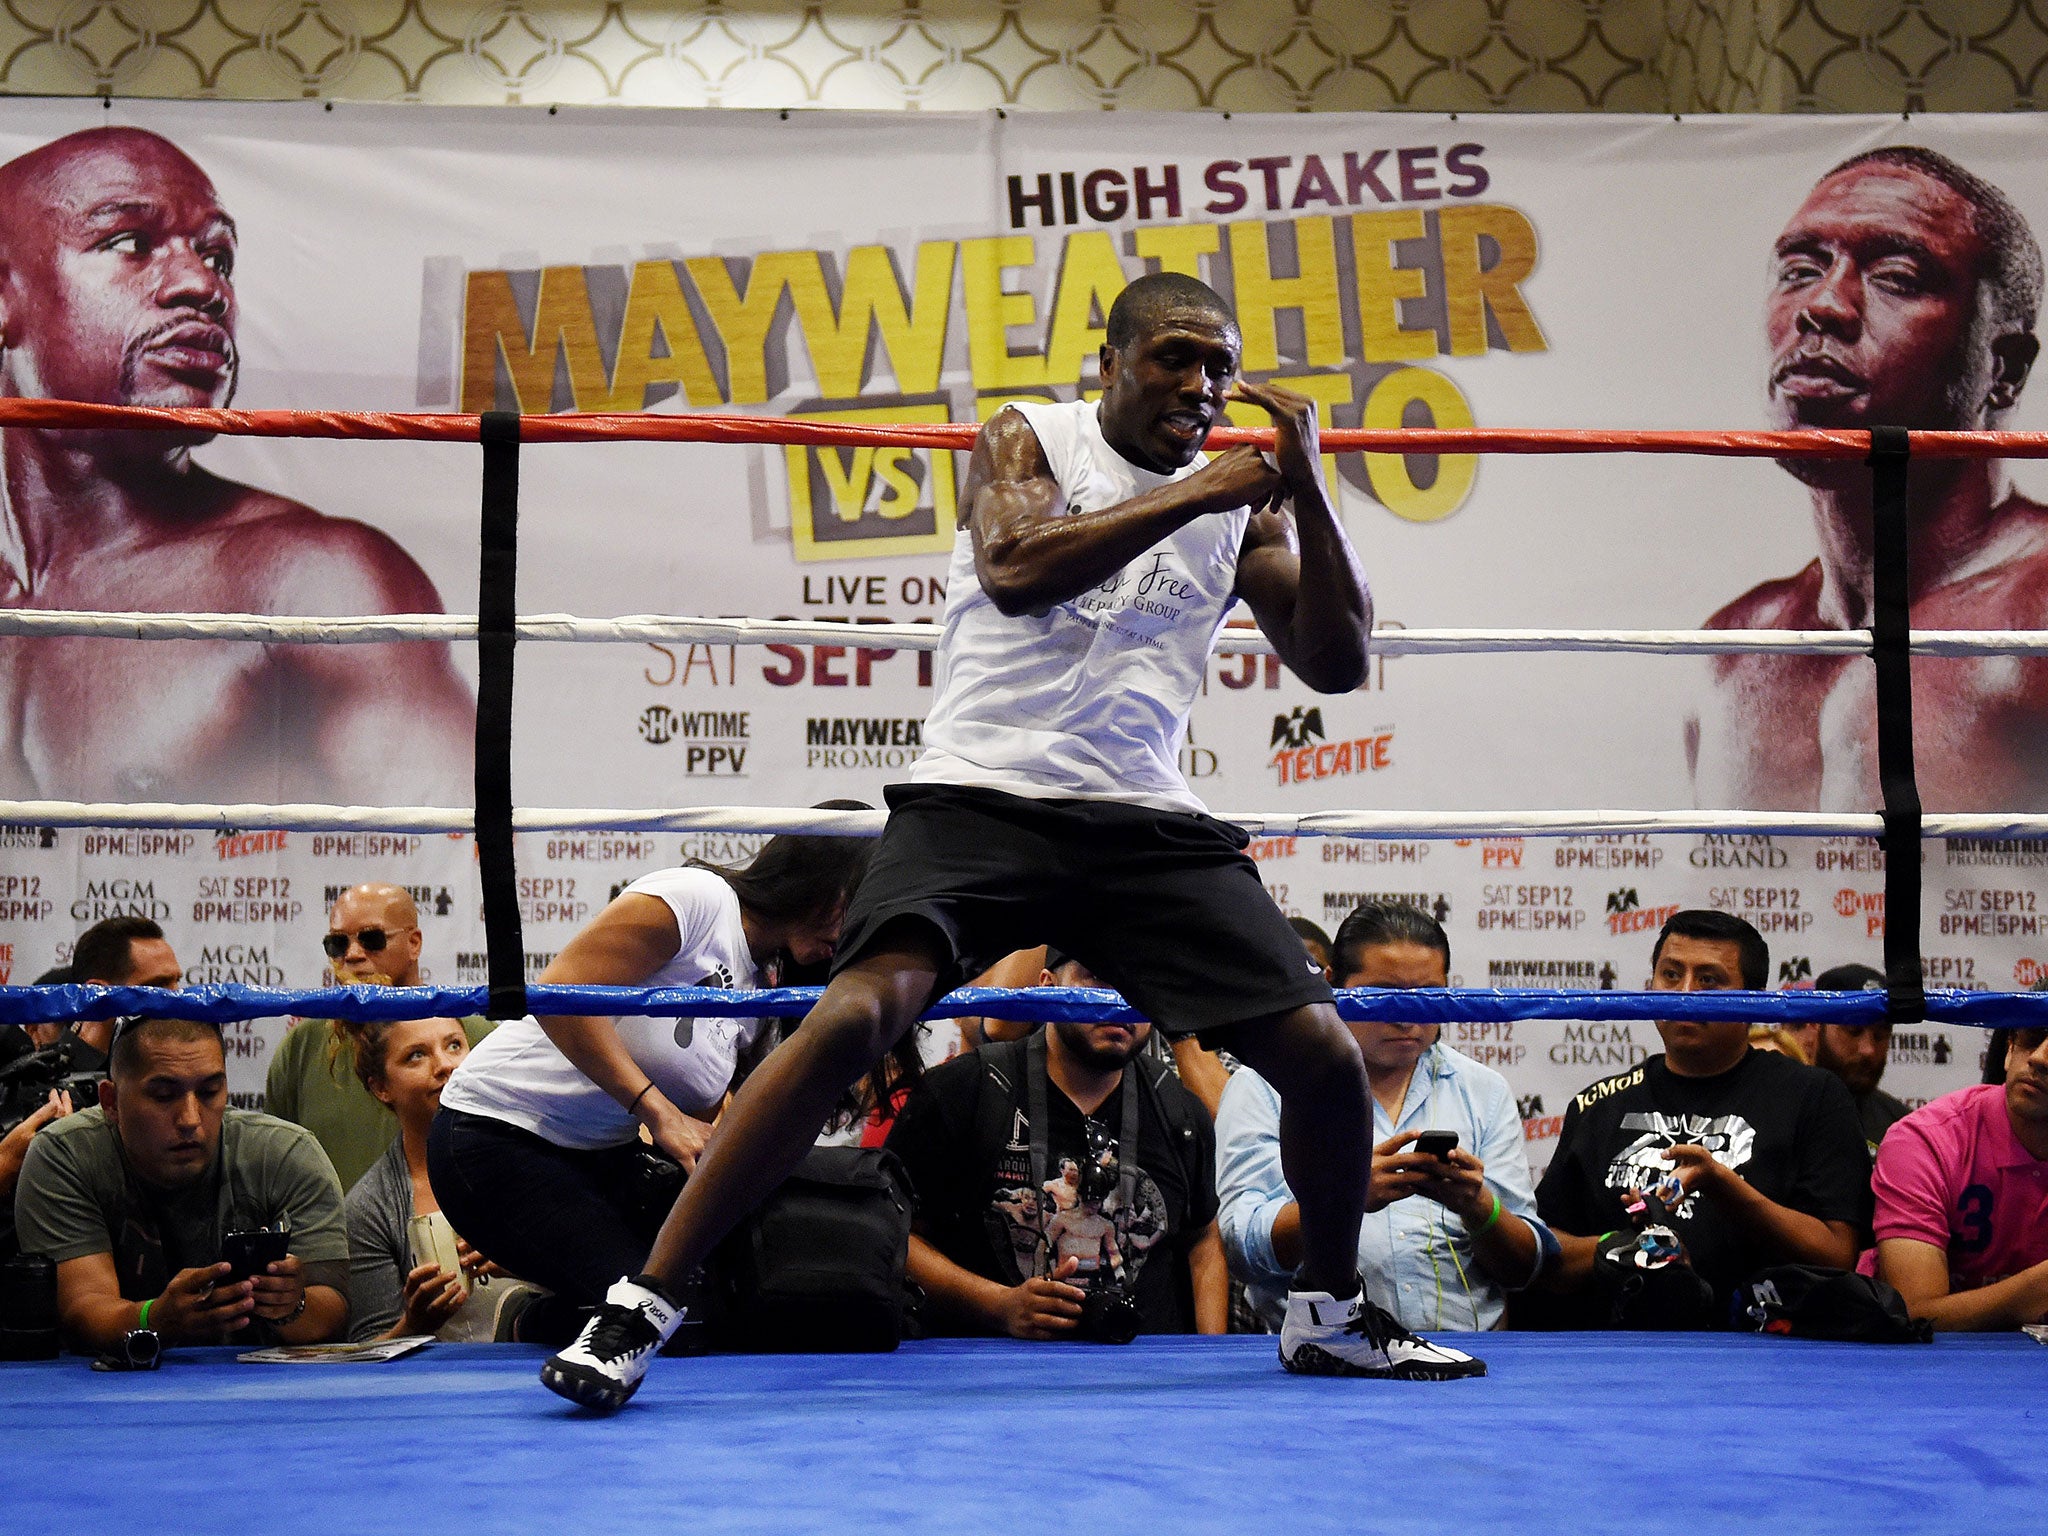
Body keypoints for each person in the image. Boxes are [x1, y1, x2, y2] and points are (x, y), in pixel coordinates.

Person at [544, 270, 1482, 1411]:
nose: (1198, 385)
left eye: (1217, 368)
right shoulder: (1025, 436)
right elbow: (1019, 570)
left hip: (1143, 822)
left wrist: (1309, 491)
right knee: (851, 1016)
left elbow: (1332, 663)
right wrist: (1204, 492)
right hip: (978, 799)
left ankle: (1328, 1319)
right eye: (1173, 358)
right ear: (1111, 362)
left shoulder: (1246, 501)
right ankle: (640, 1303)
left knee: (1324, 1058)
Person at [0, 126, 472, 805]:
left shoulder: (315, 584)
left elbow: (446, 889)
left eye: (217, 256)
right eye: (130, 243)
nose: (203, 285)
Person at [1691, 147, 2048, 812]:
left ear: (2005, 367)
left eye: (1898, 277)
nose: (1822, 305)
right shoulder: (1731, 651)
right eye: (1799, 270)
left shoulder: (2039, 613)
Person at [428, 818, 872, 1342]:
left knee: (728, 1294)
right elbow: (558, 994)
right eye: (852, 904)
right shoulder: (701, 900)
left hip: (594, 1158)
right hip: (493, 1134)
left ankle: (566, 1299)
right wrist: (659, 1114)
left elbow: (706, 1127)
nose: (846, 932)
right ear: (813, 876)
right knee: (669, 1319)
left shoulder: (758, 992)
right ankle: (520, 1318)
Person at [1528, 910, 1873, 1328]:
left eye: (1709, 980)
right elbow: (1547, 1257)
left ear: (1755, 998)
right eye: (1671, 975)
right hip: (1619, 1356)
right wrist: (1622, 1247)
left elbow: (1837, 1255)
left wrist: (1723, 1185)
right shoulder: (1599, 1104)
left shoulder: (1813, 1097)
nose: (1684, 994)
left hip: (1765, 1354)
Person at [1218, 903, 1549, 1333]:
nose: (1405, 1015)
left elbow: (1525, 1268)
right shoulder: (1263, 1084)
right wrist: (1338, 1201)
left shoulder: (1482, 1089)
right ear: (1334, 985)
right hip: (1321, 1364)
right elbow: (1241, 1250)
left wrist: (1478, 1205)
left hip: (1465, 1363)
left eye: (1428, 996)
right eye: (1383, 994)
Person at [884, 951, 1226, 1339]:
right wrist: (999, 1305)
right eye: (1096, 977)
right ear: (1046, 988)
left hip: (1146, 1387)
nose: (1116, 1000)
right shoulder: (965, 1091)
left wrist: (1208, 1359)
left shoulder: (1178, 1111)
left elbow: (1203, 1241)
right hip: (994, 1382)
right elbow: (892, 1232)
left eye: (1136, 985)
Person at [11, 1015, 349, 1353]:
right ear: (111, 1102)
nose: (190, 1119)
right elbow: (83, 1311)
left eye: (209, 1092)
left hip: (258, 1387)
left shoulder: (286, 1154)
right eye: (163, 1096)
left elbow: (335, 1311)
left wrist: (292, 1306)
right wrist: (154, 1319)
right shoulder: (67, 1155)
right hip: (113, 1390)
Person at [266, 884, 494, 1193]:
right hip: (334, 1236)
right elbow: (277, 1170)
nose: (353, 954)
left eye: (371, 939)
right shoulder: (301, 1047)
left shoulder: (478, 1039)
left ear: (414, 943)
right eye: (337, 944)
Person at [343, 1015, 535, 1342]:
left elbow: (608, 1278)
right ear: (381, 1087)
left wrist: (527, 1262)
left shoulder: (537, 1158)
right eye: (416, 1056)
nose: (445, 1065)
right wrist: (414, 1326)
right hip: (441, 1386)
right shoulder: (369, 1208)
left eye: (454, 1045)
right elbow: (369, 1350)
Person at [1864, 1025, 2048, 1329]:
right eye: (2032, 1037)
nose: (2041, 1058)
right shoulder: (1925, 1141)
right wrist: (2040, 1288)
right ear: (2010, 1048)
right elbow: (1915, 1313)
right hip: (1926, 1368)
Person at [1807, 962, 1909, 1154]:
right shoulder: (1782, 1110)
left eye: (1880, 1035)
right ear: (1815, 1023)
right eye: (1853, 1031)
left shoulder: (1900, 1127)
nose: (1869, 1050)